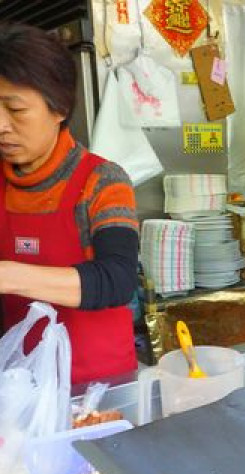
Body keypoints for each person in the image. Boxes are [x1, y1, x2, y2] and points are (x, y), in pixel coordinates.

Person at [0, 23, 139, 384]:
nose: (1, 125)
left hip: (96, 384)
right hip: (20, 382)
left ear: (59, 107)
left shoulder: (102, 181)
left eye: (15, 109)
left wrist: (9, 275)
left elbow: (118, 279)